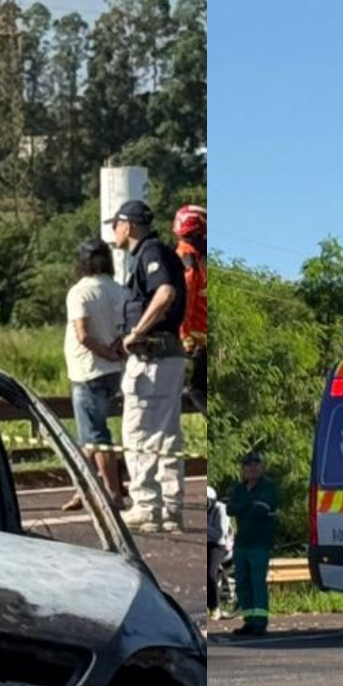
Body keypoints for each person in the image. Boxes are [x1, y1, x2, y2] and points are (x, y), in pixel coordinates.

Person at [110, 198, 190, 533]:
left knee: (138, 431)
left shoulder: (151, 253)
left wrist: (137, 332)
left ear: (127, 225)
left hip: (152, 358)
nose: (114, 232)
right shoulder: (157, 253)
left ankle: (146, 505)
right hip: (168, 356)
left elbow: (165, 293)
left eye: (115, 225)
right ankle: (171, 508)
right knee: (166, 433)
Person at [63, 237, 129, 510]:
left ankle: (113, 492)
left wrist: (103, 352)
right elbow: (127, 327)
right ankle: (83, 488)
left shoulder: (80, 292)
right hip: (114, 369)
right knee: (88, 434)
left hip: (87, 369)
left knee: (95, 435)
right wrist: (116, 352)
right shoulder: (120, 290)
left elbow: (82, 334)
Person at [226, 451, 279, 636]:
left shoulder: (268, 487)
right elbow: (230, 509)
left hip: (260, 543)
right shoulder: (239, 489)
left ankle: (260, 622)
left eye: (256, 465)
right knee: (242, 584)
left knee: (257, 583)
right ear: (243, 469)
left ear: (261, 467)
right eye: (248, 465)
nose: (252, 468)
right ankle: (248, 621)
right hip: (242, 544)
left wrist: (244, 507)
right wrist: (249, 505)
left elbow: (263, 507)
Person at [174, 204, 208, 412]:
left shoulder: (196, 260)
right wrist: (185, 339)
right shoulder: (188, 261)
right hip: (194, 340)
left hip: (199, 339)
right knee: (197, 390)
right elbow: (185, 302)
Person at [205, 485, 234, 617]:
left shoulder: (221, 509)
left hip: (219, 545)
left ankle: (215, 607)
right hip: (205, 542)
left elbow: (219, 534)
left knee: (210, 574)